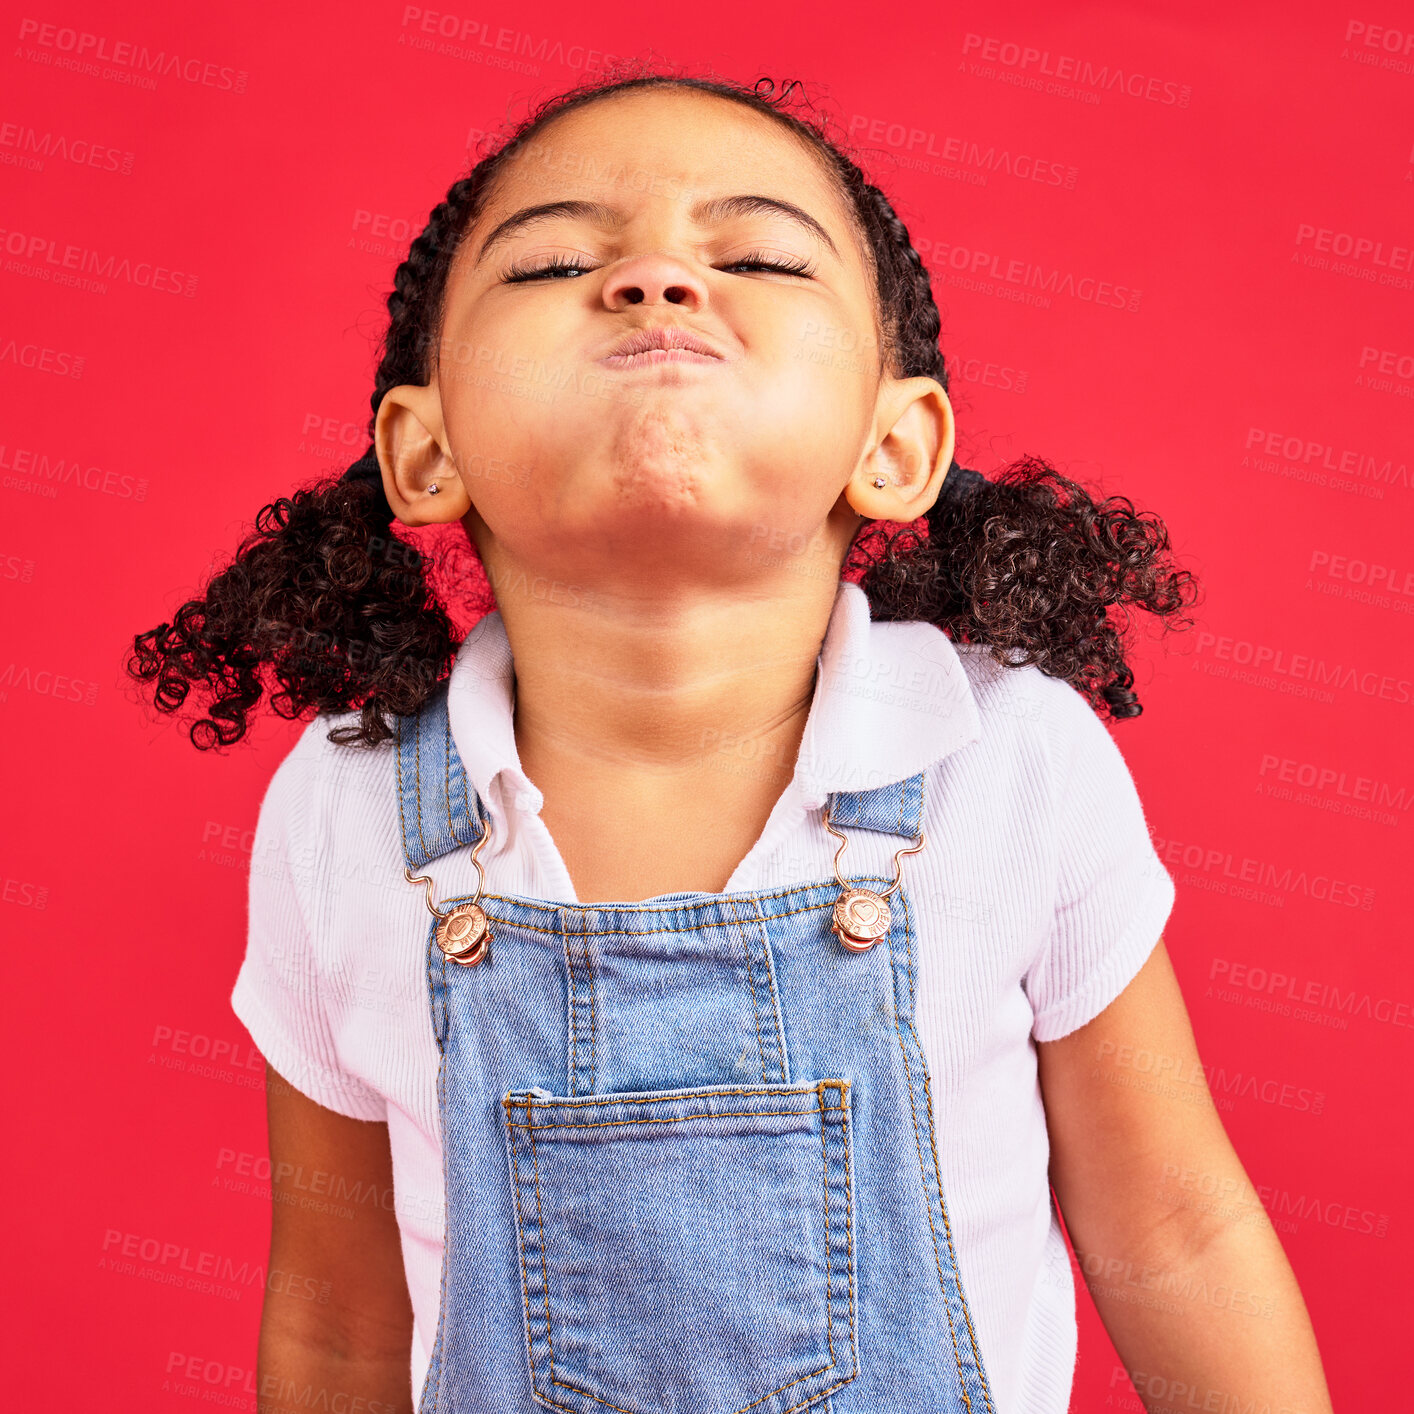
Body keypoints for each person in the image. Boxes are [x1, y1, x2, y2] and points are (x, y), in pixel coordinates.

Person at [128, 64, 1333, 1414]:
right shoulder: (342, 812)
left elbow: (1171, 1230)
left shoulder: (1004, 759)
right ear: (422, 451)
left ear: (895, 440)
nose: (652, 281)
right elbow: (342, 1316)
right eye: (554, 264)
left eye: (754, 254)